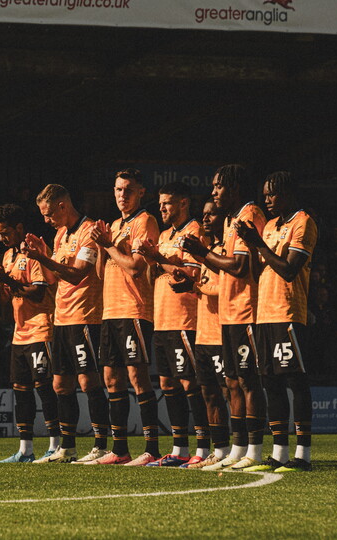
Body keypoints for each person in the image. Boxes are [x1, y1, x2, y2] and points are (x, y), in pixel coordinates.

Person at [181, 164, 268, 471]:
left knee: (247, 381)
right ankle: (238, 448)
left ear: (235, 188)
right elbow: (226, 266)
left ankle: (255, 451)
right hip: (228, 315)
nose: (214, 191)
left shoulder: (250, 214)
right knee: (232, 381)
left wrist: (202, 253)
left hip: (246, 311)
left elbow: (241, 267)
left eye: (219, 186)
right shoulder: (233, 220)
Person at [236, 172, 318, 473]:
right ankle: (279, 453)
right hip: (263, 314)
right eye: (265, 195)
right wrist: (255, 244)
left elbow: (289, 270)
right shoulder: (271, 226)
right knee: (270, 382)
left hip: (287, 313)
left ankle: (303, 454)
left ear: (288, 193)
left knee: (295, 381)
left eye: (272, 194)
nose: (267, 200)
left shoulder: (303, 222)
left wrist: (259, 244)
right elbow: (260, 271)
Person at [24, 184, 111, 464]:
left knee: (88, 381)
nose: (47, 220)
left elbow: (78, 275)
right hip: (61, 318)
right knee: (61, 384)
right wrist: (44, 256)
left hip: (85, 316)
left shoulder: (89, 231)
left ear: (62, 206)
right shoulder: (60, 234)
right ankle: (68, 447)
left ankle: (100, 445)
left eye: (49, 214)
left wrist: (44, 258)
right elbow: (53, 280)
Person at [86, 168, 161, 466]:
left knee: (137, 377)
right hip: (110, 311)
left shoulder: (146, 222)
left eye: (128, 189)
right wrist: (103, 245)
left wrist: (107, 245)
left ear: (141, 192)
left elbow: (134, 267)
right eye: (118, 189)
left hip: (135, 309)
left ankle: (152, 449)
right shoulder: (115, 225)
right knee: (111, 379)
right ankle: (119, 449)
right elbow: (101, 273)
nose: (122, 195)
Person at [136, 182, 210, 467]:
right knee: (167, 383)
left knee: (190, 382)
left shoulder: (194, 232)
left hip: (185, 319)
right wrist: (155, 260)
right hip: (162, 319)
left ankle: (203, 448)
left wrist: (158, 259)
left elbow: (191, 273)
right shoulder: (165, 235)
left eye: (167, 203)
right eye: (160, 202)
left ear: (183, 203)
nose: (162, 207)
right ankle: (179, 448)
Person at [0, 203, 60, 463]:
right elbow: (3, 300)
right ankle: (26, 450)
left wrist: (8, 282)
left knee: (44, 387)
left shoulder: (34, 251)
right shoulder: (8, 256)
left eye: (6, 233)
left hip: (41, 328)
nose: (2, 238)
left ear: (19, 228)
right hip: (20, 332)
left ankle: (55, 445)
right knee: (21, 389)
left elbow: (38, 292)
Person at [178, 199, 232, 469]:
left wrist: (200, 286)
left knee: (230, 392)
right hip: (203, 333)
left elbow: (229, 287)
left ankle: (241, 448)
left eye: (212, 214)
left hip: (223, 332)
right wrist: (189, 284)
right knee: (209, 394)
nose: (207, 218)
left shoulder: (226, 251)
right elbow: (206, 284)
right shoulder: (208, 250)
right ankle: (219, 449)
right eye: (205, 214)